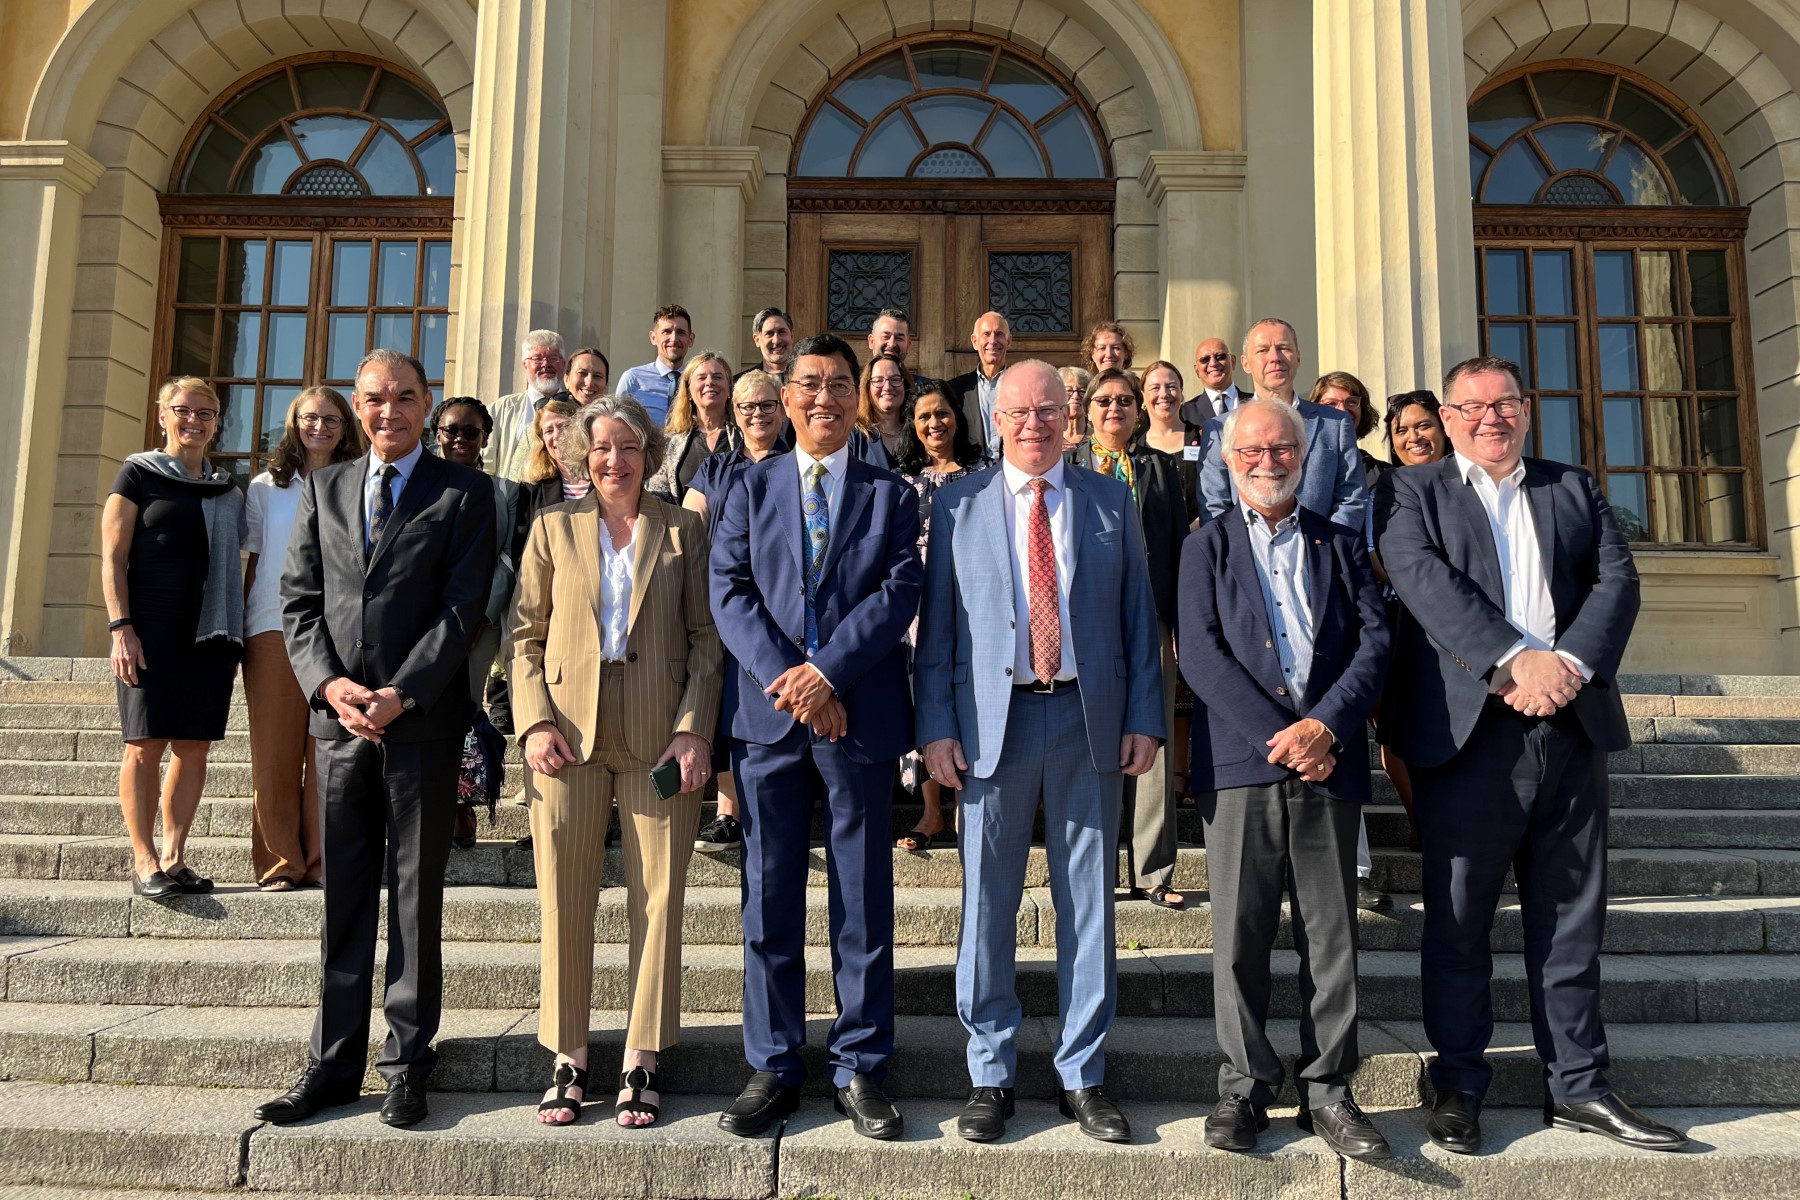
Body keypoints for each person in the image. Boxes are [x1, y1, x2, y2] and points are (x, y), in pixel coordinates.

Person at [1377, 356, 1680, 1155]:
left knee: (1571, 919)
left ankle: (1579, 1086)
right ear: (1448, 418)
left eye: (1505, 403)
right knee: (1458, 922)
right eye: (1473, 407)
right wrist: (1515, 663)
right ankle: (1458, 1083)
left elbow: (1617, 582)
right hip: (1468, 735)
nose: (1491, 418)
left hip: (1570, 727)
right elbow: (1422, 581)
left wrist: (1565, 667)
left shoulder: (1571, 486)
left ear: (1527, 408)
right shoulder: (1413, 491)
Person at [915, 360, 1163, 1146]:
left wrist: (1146, 717)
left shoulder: (1109, 499)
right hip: (994, 725)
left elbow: (1138, 618)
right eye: (1019, 411)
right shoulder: (958, 503)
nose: (1034, 423)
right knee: (987, 902)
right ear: (996, 421)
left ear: (1070, 417)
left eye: (1049, 409)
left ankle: (1082, 1072)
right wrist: (936, 727)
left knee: (1088, 902)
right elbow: (938, 630)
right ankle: (990, 1073)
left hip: (1089, 720)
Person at [255, 348, 496, 1131]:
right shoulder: (323, 488)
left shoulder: (467, 492)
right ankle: (332, 1064)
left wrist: (400, 694)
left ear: (426, 404)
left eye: (403, 397)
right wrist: (329, 685)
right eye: (373, 398)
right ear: (356, 408)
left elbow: (462, 610)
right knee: (345, 899)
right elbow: (299, 603)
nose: (388, 411)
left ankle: (407, 1064)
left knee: (415, 900)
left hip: (420, 723)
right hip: (339, 725)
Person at [711, 333, 923, 1142]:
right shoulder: (747, 486)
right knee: (768, 897)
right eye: (809, 383)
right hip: (769, 723)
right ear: (786, 396)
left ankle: (860, 1064)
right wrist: (795, 683)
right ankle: (774, 1063)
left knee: (862, 899)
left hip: (857, 719)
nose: (823, 397)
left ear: (857, 396)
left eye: (839, 383)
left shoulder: (890, 493)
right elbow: (730, 592)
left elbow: (899, 590)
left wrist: (827, 675)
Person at [1177, 397, 1392, 1160]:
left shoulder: (1342, 543)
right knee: (1240, 938)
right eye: (1251, 451)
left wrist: (1325, 727)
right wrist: (1285, 737)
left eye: (1281, 450)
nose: (1267, 462)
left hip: (1330, 761)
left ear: (1303, 456)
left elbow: (1375, 644)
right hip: (1243, 764)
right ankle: (1244, 1086)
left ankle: (1328, 1090)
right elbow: (1201, 655)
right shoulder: (1205, 547)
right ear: (1228, 461)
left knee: (1331, 939)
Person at [510, 394, 722, 1130]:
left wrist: (694, 731)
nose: (614, 460)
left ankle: (641, 1056)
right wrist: (533, 721)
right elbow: (524, 636)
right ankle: (568, 1055)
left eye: (628, 446)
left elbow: (706, 638)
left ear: (648, 454)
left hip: (659, 734)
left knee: (658, 897)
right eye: (600, 447)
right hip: (565, 735)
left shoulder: (683, 528)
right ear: (581, 455)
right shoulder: (551, 527)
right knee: (564, 895)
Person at [102, 378, 248, 899]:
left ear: (217, 422)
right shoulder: (137, 474)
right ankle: (144, 861)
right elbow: (112, 558)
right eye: (183, 410)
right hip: (150, 628)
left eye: (206, 413)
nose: (195, 421)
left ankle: (174, 857)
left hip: (212, 632)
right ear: (162, 414)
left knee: (193, 746)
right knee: (144, 745)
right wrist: (121, 629)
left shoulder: (229, 489)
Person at [1066, 369, 1188, 910]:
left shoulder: (1161, 468)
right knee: (1088, 737)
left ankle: (1153, 870)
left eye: (1124, 400)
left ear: (1138, 411)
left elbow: (1180, 549)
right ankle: (1093, 866)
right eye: (1104, 400)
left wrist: (1179, 624)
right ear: (1087, 409)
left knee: (1151, 735)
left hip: (1151, 616)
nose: (1114, 408)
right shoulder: (1067, 466)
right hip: (1084, 621)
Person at [242, 386, 361, 891]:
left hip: (339, 631)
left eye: (332, 419)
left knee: (329, 752)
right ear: (293, 424)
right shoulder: (265, 488)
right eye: (310, 418)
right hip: (271, 627)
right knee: (274, 755)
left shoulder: (359, 482)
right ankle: (280, 863)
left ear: (345, 427)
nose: (320, 427)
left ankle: (322, 861)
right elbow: (251, 562)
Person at [685, 371, 788, 854]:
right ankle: (728, 811)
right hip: (725, 600)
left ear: (782, 408)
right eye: (747, 406)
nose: (757, 415)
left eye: (766, 405)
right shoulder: (716, 467)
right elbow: (690, 527)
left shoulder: (797, 463)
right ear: (734, 412)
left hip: (783, 601)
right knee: (730, 702)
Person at [891, 381, 987, 853]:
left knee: (968, 697)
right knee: (921, 699)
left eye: (942, 413)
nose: (935, 423)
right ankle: (932, 812)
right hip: (917, 607)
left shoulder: (984, 474)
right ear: (913, 425)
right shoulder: (899, 481)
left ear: (957, 417)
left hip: (974, 603)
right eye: (924, 416)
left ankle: (970, 807)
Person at [1306, 369, 1388, 910]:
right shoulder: (1297, 451)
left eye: (1351, 401)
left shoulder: (1381, 473)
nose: (1342, 409)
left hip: (1351, 601)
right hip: (1300, 594)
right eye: (1331, 401)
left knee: (1341, 731)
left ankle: (1354, 869)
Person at [430, 397, 521, 848]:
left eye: (472, 432)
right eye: (452, 430)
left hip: (478, 627)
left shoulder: (505, 492)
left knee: (462, 712)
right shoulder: (419, 483)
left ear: (485, 438)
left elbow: (507, 558)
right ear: (437, 435)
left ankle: (459, 804)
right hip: (421, 624)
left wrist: (481, 617)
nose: (461, 439)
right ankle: (425, 805)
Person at [1198, 319, 1366, 535]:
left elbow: (1351, 496)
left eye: (1283, 348)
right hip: (1246, 551)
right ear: (1246, 363)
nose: (1274, 358)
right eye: (1263, 350)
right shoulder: (1220, 429)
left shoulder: (1335, 424)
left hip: (1322, 549)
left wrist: (1331, 547)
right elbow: (1214, 505)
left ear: (1298, 357)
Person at [1372, 389, 1448, 851]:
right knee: (1399, 729)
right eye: (1401, 430)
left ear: (1444, 426)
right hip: (1401, 622)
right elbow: (1379, 555)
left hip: (1464, 629)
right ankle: (1424, 821)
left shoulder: (1470, 481)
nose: (1413, 437)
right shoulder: (1387, 488)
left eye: (1423, 426)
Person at [648, 352, 740, 504]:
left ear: (729, 388)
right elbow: (658, 492)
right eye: (701, 378)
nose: (710, 382)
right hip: (684, 518)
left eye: (717, 377)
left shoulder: (744, 436)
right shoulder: (670, 441)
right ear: (688, 391)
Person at [485, 330, 568, 479]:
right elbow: (487, 467)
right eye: (537, 359)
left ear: (563, 363)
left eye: (553, 358)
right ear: (525, 365)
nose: (545, 364)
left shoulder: (578, 410)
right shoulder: (498, 410)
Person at [617, 304, 696, 425]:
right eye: (666, 332)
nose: (674, 339)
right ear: (653, 337)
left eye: (681, 332)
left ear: (691, 339)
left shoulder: (698, 382)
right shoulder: (633, 380)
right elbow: (618, 424)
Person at [946, 311, 1012, 455]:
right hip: (971, 466)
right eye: (986, 334)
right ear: (975, 342)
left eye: (999, 334)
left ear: (1009, 341)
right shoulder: (954, 390)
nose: (993, 341)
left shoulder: (1022, 385)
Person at [853, 352, 913, 471]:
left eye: (895, 379)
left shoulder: (919, 432)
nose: (887, 387)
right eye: (878, 380)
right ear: (867, 388)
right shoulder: (853, 436)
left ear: (905, 385)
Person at [1179, 337, 1245, 427]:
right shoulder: (1185, 413)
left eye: (1220, 357)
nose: (1213, 363)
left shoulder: (1256, 402)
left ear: (1232, 362)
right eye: (1205, 359)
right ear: (1197, 370)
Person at [741, 307, 793, 385]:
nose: (776, 340)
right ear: (757, 340)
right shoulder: (742, 384)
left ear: (792, 336)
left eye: (782, 332)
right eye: (769, 333)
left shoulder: (807, 378)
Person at [1058, 366, 1091, 451]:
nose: (1075, 396)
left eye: (1082, 391)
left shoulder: (1098, 438)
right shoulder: (1051, 438)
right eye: (1068, 391)